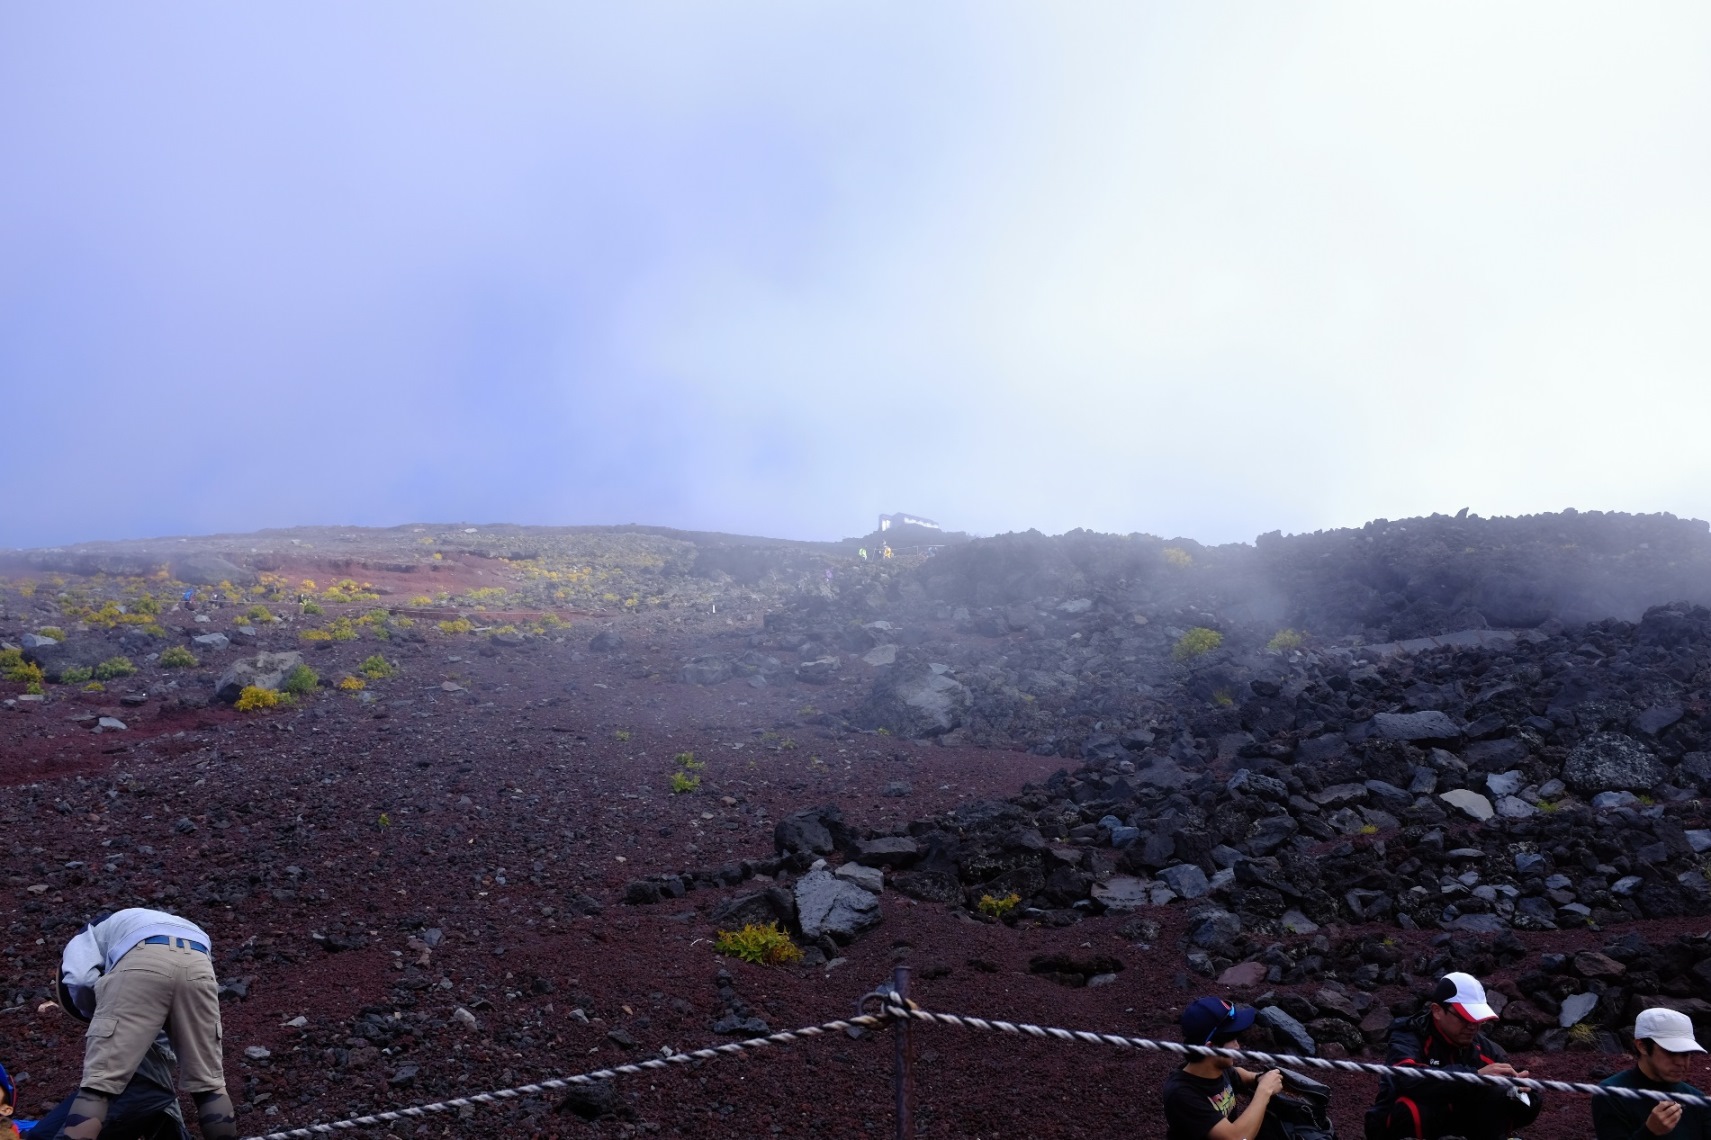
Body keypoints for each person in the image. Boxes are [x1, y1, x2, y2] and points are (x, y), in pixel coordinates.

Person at [51, 910, 234, 1140]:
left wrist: (101, 1015)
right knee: (209, 1085)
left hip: (141, 958)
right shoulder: (137, 921)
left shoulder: (88, 932)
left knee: (98, 1086)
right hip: (199, 962)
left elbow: (79, 979)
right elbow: (161, 1038)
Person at [1365, 971, 1542, 1140]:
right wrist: (1476, 1077)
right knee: (1412, 1106)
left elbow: (1524, 1109)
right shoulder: (1409, 1036)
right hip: (1398, 1126)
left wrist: (1522, 1093)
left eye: (1477, 1019)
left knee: (1501, 1094)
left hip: (1460, 1128)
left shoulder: (1486, 1050)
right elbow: (1407, 1078)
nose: (1472, 1026)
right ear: (1437, 1011)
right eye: (1465, 1017)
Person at [1163, 996, 1284, 1140]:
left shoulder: (1217, 1070)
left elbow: (1242, 1075)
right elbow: (1238, 1138)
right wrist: (1264, 1091)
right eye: (1232, 1040)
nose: (1238, 1047)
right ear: (1210, 1048)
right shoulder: (1182, 1095)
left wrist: (1260, 1078)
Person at [1593, 1007, 1711, 1140]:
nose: (1680, 1062)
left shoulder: (1697, 1099)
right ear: (1642, 1046)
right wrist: (1650, 1132)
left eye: (1686, 1053)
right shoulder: (1611, 1095)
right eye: (1671, 1052)